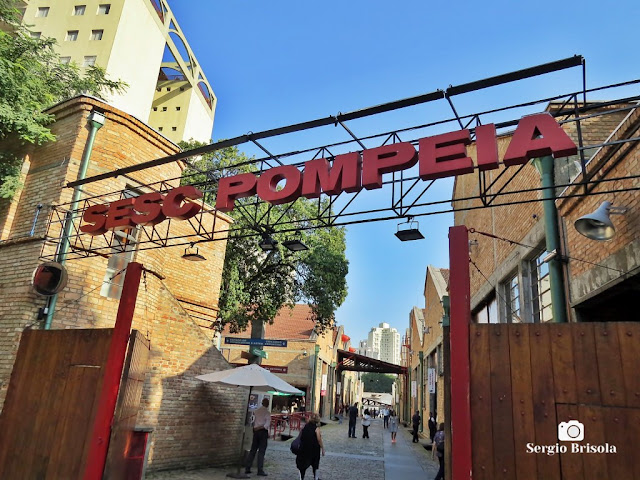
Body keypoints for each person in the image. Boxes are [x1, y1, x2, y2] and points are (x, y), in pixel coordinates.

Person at [245, 398, 271, 476]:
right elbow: (266, 425)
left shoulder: (256, 411)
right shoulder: (267, 413)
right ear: (267, 404)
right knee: (261, 451)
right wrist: (260, 427)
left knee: (253, 450)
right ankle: (260, 470)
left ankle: (247, 468)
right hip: (262, 433)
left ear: (262, 403)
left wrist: (255, 428)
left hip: (256, 432)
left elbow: (253, 421)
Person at [295, 413, 325, 480]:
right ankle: (316, 478)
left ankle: (301, 477)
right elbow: (319, 439)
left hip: (304, 448)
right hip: (314, 449)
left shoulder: (305, 426)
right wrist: (322, 448)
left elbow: (301, 435)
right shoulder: (316, 429)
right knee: (315, 464)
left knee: (303, 464)